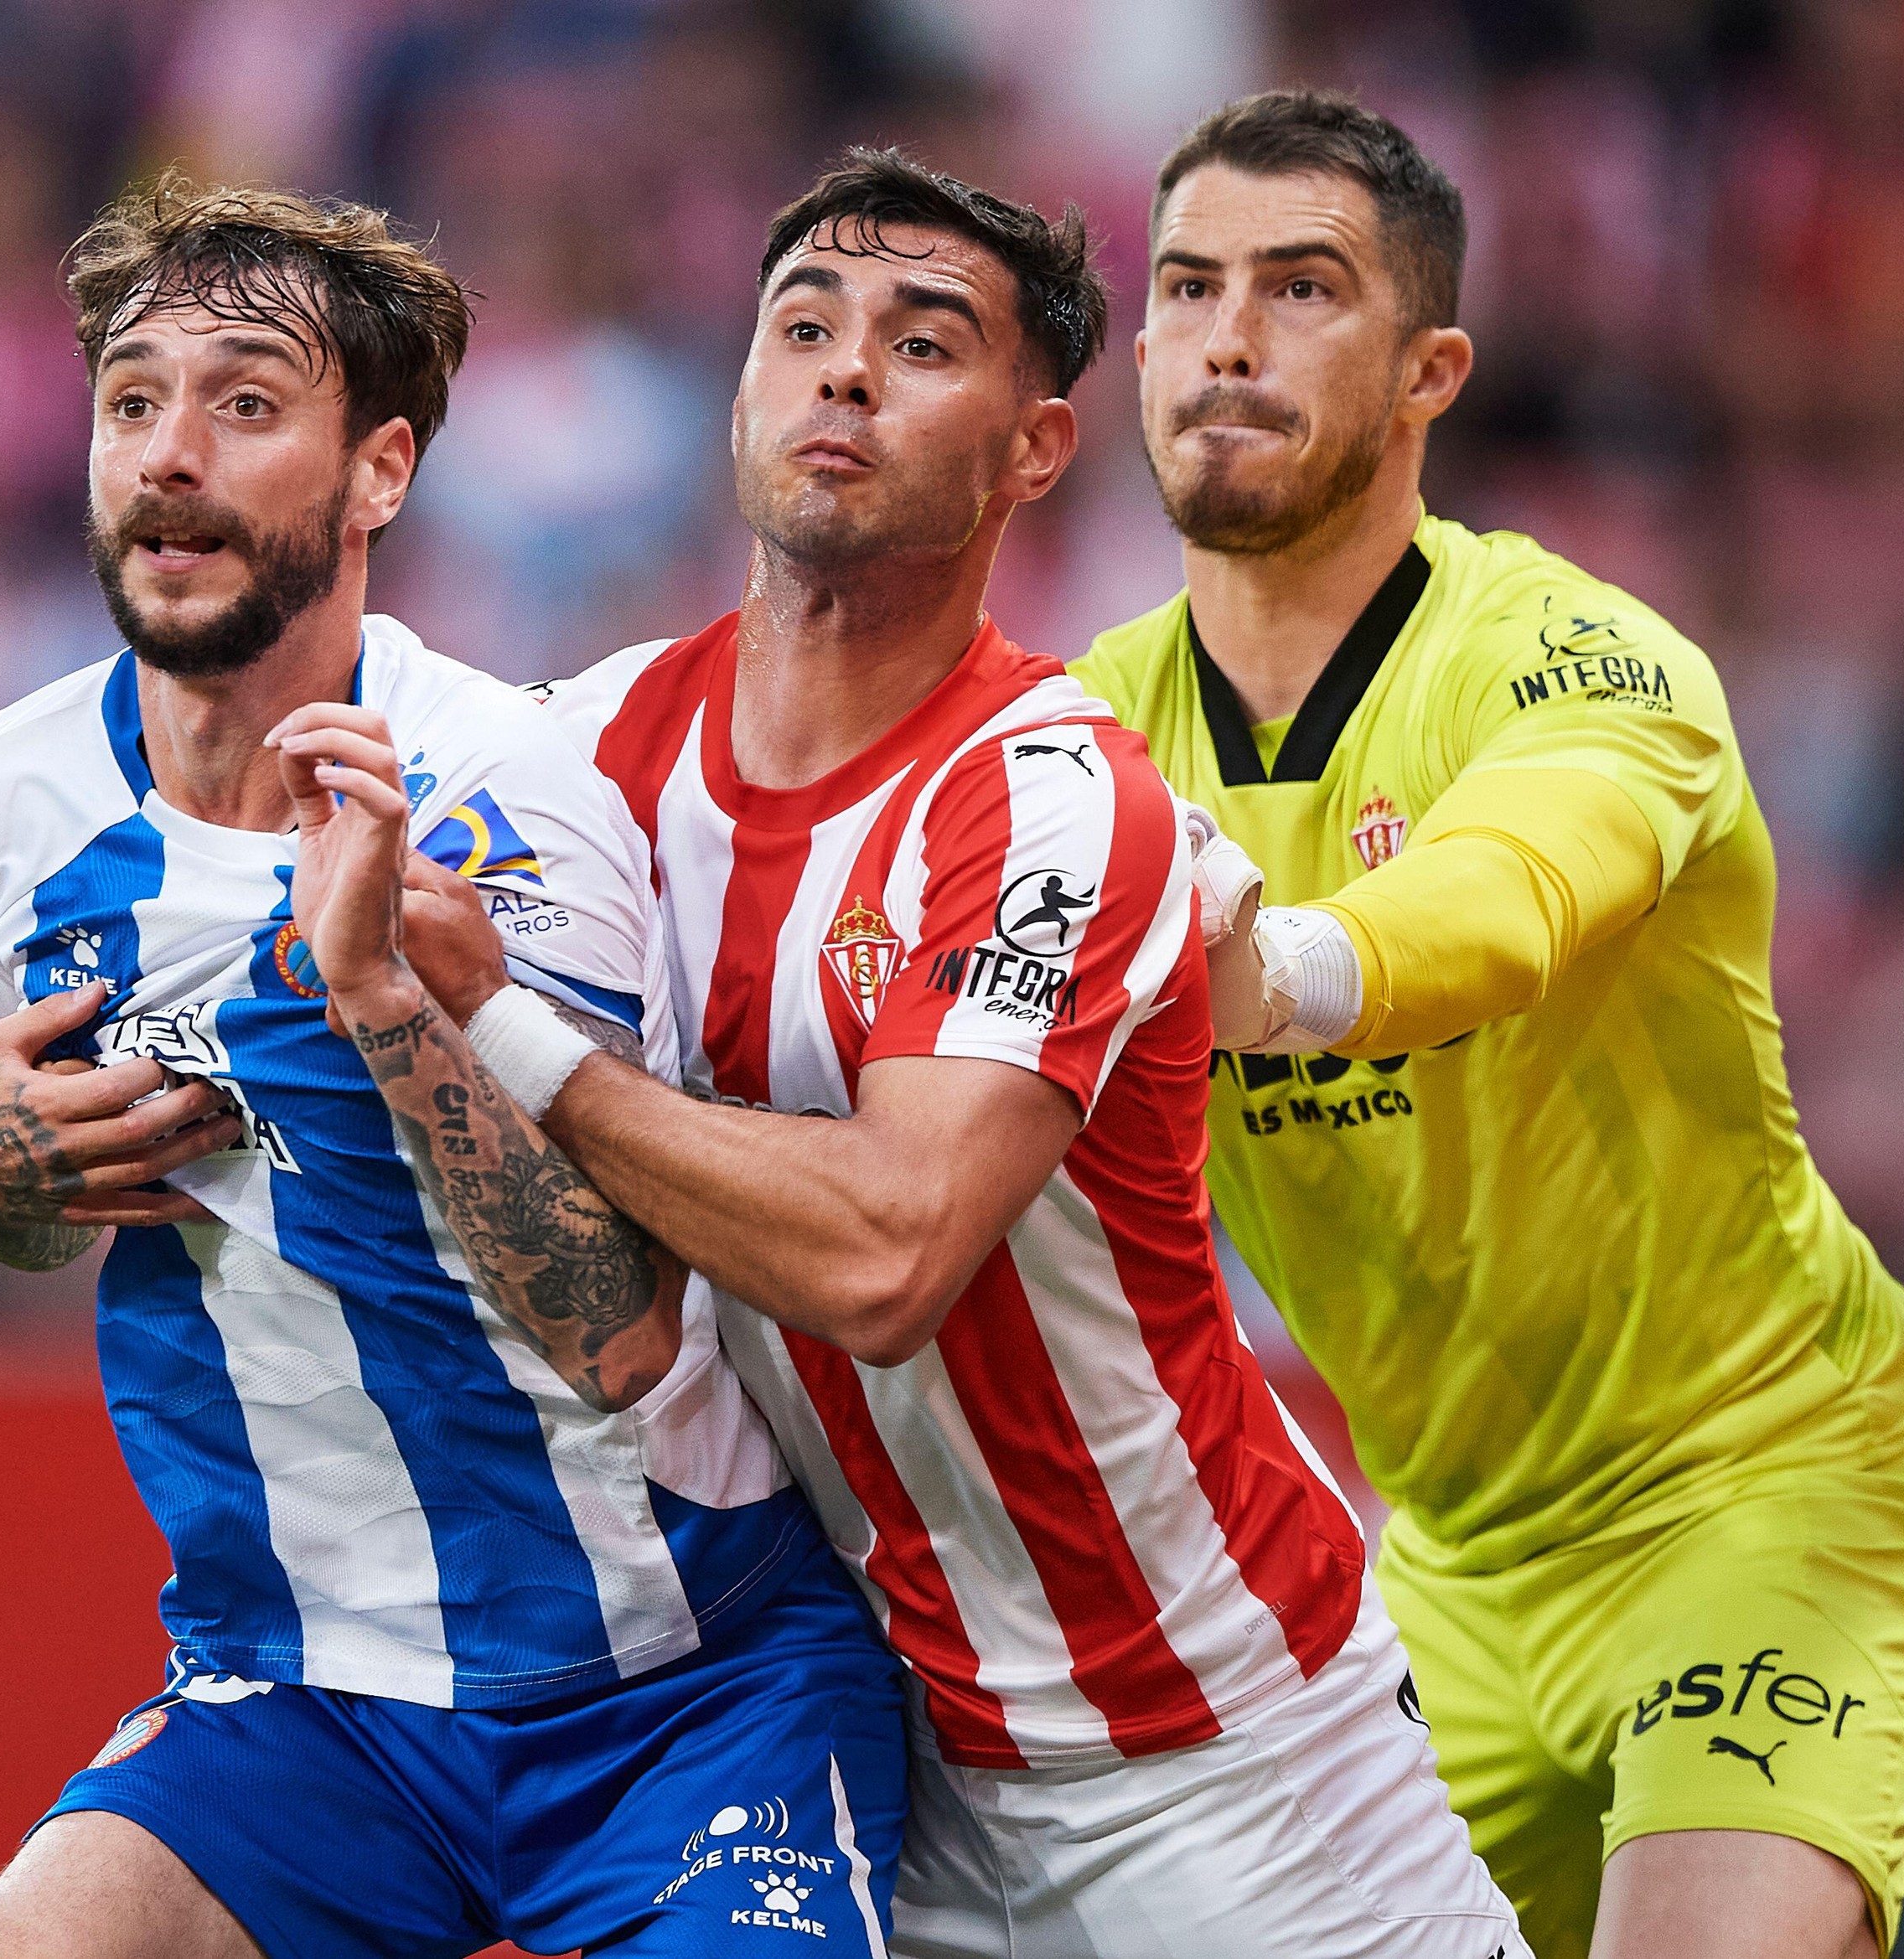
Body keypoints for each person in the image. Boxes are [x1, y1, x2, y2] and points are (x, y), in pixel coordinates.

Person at [361, 148, 1526, 1959]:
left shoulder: (1049, 795)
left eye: (919, 344)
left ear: (1032, 449)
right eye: (802, 326)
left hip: (1215, 1768)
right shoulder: (587, 749)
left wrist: (502, 1021)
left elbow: (888, 1253)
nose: (841, 370)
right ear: (739, 387)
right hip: (882, 1764)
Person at [1067, 90, 1904, 1959]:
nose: (1228, 337)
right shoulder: (1080, 735)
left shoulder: (1580, 658)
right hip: (1448, 1564)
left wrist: (1271, 973)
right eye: (1185, 287)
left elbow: (1506, 894)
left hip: (1769, 1478)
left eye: (1300, 288)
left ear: (1428, 371)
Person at [0, 178, 905, 1959]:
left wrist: (379, 996)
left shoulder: (505, 790)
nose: (167, 456)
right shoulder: (9, 789)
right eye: (133, 400)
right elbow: (26, 1191)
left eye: (242, 404)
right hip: (297, 1695)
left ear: (378, 472)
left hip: (670, 1687)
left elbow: (615, 1328)